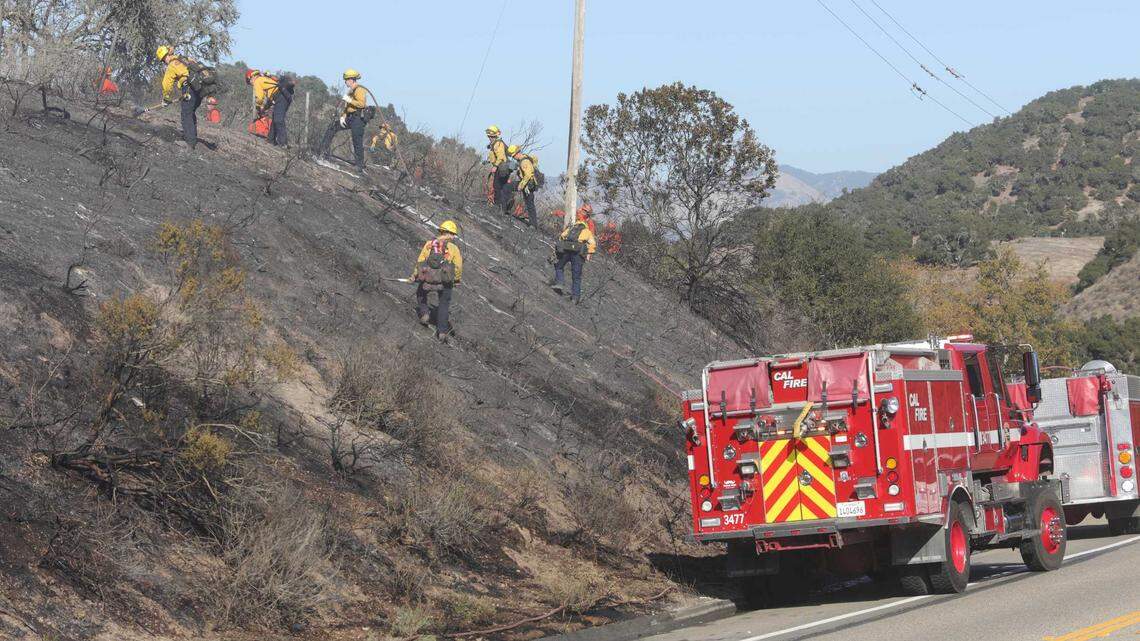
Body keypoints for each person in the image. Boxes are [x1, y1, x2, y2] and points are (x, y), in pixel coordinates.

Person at [412, 220, 463, 344]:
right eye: (453, 234)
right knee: (444, 304)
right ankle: (442, 332)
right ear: (449, 233)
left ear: (441, 231)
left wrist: (415, 275)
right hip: (445, 280)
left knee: (421, 293)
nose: (453, 237)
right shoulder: (454, 248)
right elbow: (458, 266)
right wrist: (456, 279)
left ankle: (424, 314)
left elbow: (421, 261)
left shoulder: (430, 244)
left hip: (429, 277)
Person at [319, 69, 369, 173]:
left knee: (357, 141)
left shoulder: (360, 90)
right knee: (333, 127)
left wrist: (350, 100)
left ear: (351, 80)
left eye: (346, 80)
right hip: (350, 117)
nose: (345, 82)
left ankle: (359, 165)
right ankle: (322, 150)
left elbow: (362, 104)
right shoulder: (350, 91)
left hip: (358, 119)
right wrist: (343, 116)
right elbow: (347, 107)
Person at [157, 45, 203, 149]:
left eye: (163, 60)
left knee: (186, 114)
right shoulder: (184, 59)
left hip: (189, 87)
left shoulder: (172, 65)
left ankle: (190, 142)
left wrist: (166, 98)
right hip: (199, 88)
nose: (164, 62)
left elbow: (166, 85)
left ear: (165, 57)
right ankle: (192, 137)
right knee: (190, 112)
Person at [551, 208, 597, 304]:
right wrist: (589, 254)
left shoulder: (571, 228)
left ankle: (560, 282)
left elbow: (562, 236)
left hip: (567, 250)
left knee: (559, 266)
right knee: (576, 276)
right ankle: (575, 298)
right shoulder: (587, 231)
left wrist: (558, 250)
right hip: (578, 254)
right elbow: (592, 243)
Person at [247, 69, 293, 147]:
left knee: (278, 120)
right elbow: (270, 94)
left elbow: (260, 98)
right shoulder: (264, 79)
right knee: (275, 119)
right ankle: (270, 140)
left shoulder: (257, 81)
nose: (251, 84)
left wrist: (258, 107)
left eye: (249, 82)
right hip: (283, 96)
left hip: (281, 97)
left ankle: (283, 143)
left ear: (251, 77)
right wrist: (265, 107)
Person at [509, 145, 539, 227]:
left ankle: (533, 224)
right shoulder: (523, 160)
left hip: (528, 185)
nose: (514, 157)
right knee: (529, 203)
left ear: (517, 153)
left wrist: (521, 185)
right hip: (527, 185)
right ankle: (533, 224)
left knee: (530, 204)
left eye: (514, 156)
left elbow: (528, 175)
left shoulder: (524, 162)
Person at [485, 125, 509, 206]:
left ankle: (498, 205)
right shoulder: (494, 144)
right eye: (489, 136)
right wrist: (488, 161)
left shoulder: (498, 144)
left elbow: (501, 156)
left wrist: (495, 166)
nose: (489, 137)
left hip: (501, 168)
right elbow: (494, 156)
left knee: (497, 186)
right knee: (499, 186)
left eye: (490, 136)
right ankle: (501, 205)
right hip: (500, 167)